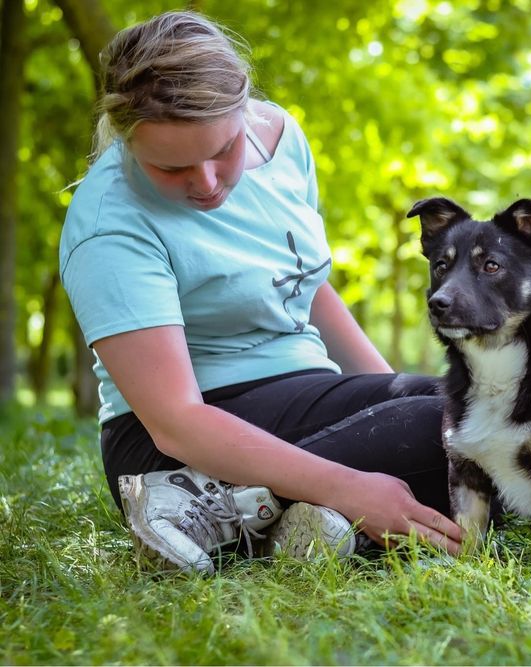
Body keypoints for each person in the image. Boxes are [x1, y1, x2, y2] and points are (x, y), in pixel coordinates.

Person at [59, 10, 463, 574]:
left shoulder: (282, 141)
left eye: (222, 152)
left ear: (244, 113)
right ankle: (203, 510)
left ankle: (276, 521)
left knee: (486, 403)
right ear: (127, 139)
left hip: (302, 392)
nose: (205, 183)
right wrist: (350, 484)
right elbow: (175, 420)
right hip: (177, 445)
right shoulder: (109, 222)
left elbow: (308, 286)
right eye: (172, 167)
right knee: (446, 428)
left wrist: (387, 390)